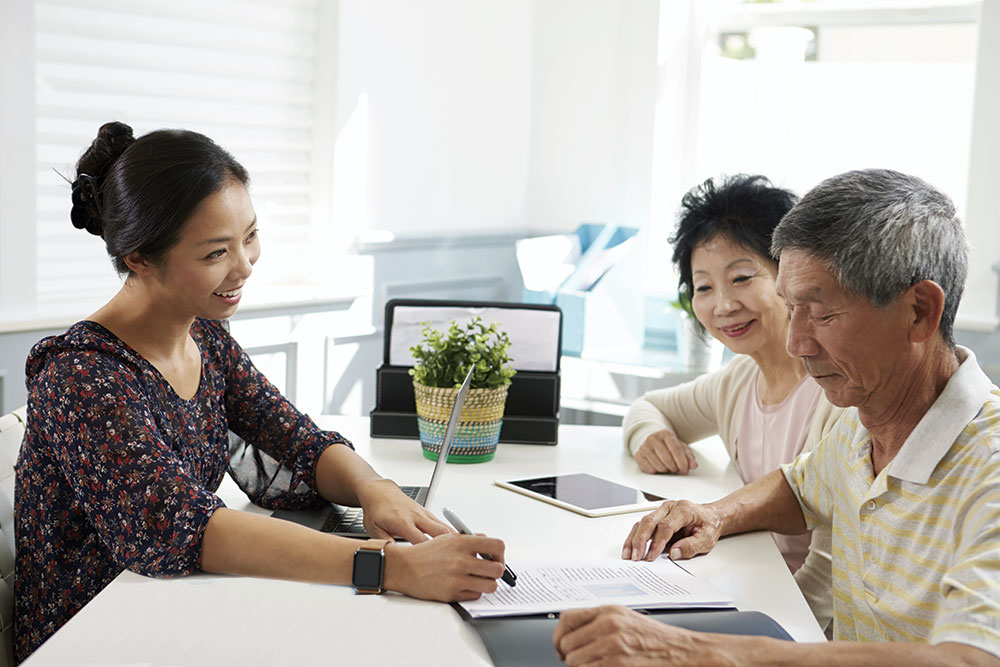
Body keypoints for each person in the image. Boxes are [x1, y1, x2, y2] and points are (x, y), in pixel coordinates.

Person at [15, 122, 507, 661]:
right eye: (215, 254)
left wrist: (375, 489)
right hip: (95, 638)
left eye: (249, 236)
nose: (245, 266)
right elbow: (183, 529)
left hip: (174, 609)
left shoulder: (202, 335)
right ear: (138, 258)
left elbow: (296, 438)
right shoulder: (81, 377)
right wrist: (390, 568)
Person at [554, 169, 1000, 665]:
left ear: (918, 311)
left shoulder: (989, 468)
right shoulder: (863, 417)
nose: (796, 343)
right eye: (792, 309)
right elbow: (800, 487)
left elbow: (973, 660)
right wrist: (714, 515)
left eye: (823, 315)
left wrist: (702, 652)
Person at [622, 174, 843, 628]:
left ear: (792, 275)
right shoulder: (738, 381)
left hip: (801, 623)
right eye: (703, 287)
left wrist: (758, 634)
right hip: (747, 587)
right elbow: (648, 407)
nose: (722, 305)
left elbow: (832, 569)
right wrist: (650, 434)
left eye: (742, 277)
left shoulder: (838, 391)